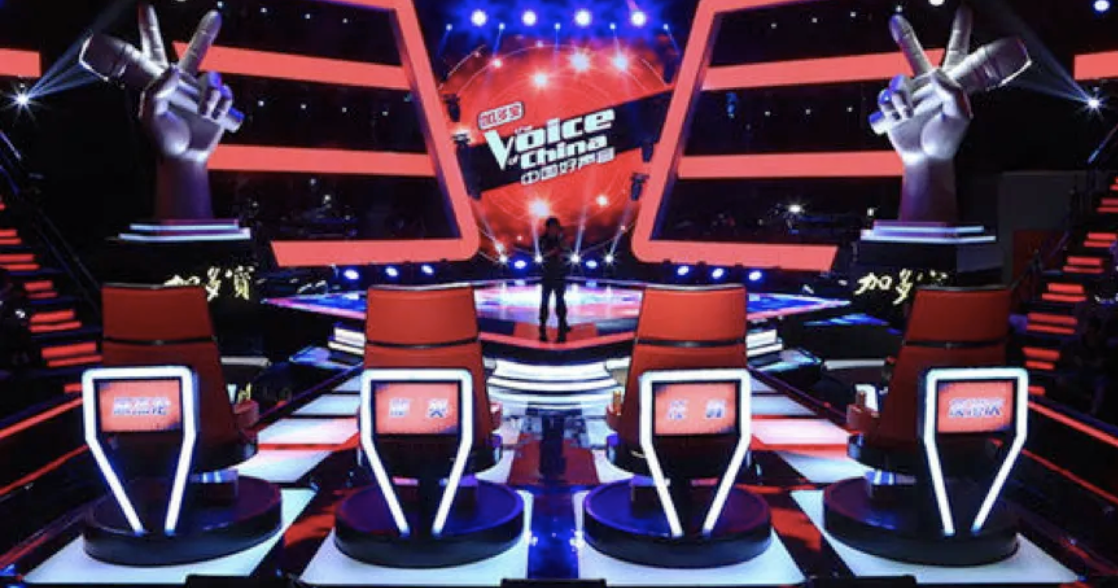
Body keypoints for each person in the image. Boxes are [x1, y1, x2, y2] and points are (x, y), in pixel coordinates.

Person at [538, 217, 570, 343]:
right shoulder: (543, 239)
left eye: (556, 227)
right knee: (545, 301)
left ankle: (562, 328)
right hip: (547, 275)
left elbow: (567, 251)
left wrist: (563, 245)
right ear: (548, 228)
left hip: (559, 274)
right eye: (552, 227)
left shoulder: (560, 239)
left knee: (560, 301)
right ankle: (542, 329)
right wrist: (555, 250)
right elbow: (542, 254)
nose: (554, 229)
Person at [0, 268, 32, 371]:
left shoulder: (16, 288)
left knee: (19, 329)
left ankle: (20, 358)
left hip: (15, 320)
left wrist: (21, 318)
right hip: (4, 321)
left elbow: (25, 307)